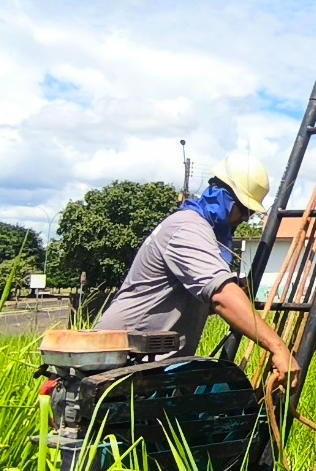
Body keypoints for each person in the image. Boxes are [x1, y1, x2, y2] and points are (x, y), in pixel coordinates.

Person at [97, 153, 300, 392]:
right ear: (223, 196)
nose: (244, 219)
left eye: (251, 214)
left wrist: (235, 295)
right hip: (121, 364)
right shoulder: (188, 228)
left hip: (146, 364)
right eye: (243, 210)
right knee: (222, 395)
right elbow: (221, 296)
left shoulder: (200, 232)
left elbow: (193, 301)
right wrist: (278, 347)